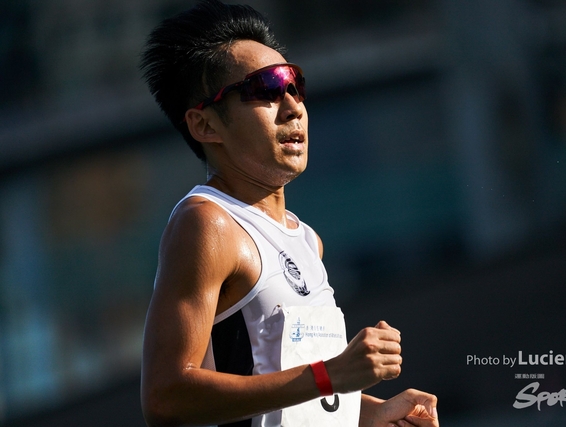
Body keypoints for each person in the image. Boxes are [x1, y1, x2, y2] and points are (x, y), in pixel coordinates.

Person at [139, 1, 439, 426]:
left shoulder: (306, 239)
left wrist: (372, 414)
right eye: (264, 89)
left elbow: (290, 392)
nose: (293, 106)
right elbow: (164, 398)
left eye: (295, 85)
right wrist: (328, 375)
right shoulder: (208, 225)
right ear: (206, 125)